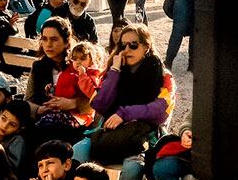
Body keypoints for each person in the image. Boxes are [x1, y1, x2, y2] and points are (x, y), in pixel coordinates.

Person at [73, 23, 171, 165]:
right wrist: (115, 71)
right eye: (123, 45)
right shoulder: (115, 71)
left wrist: (124, 114)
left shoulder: (164, 76)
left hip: (143, 135)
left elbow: (161, 110)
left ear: (146, 47)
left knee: (132, 168)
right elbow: (99, 104)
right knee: (77, 151)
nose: (127, 50)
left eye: (133, 45)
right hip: (109, 132)